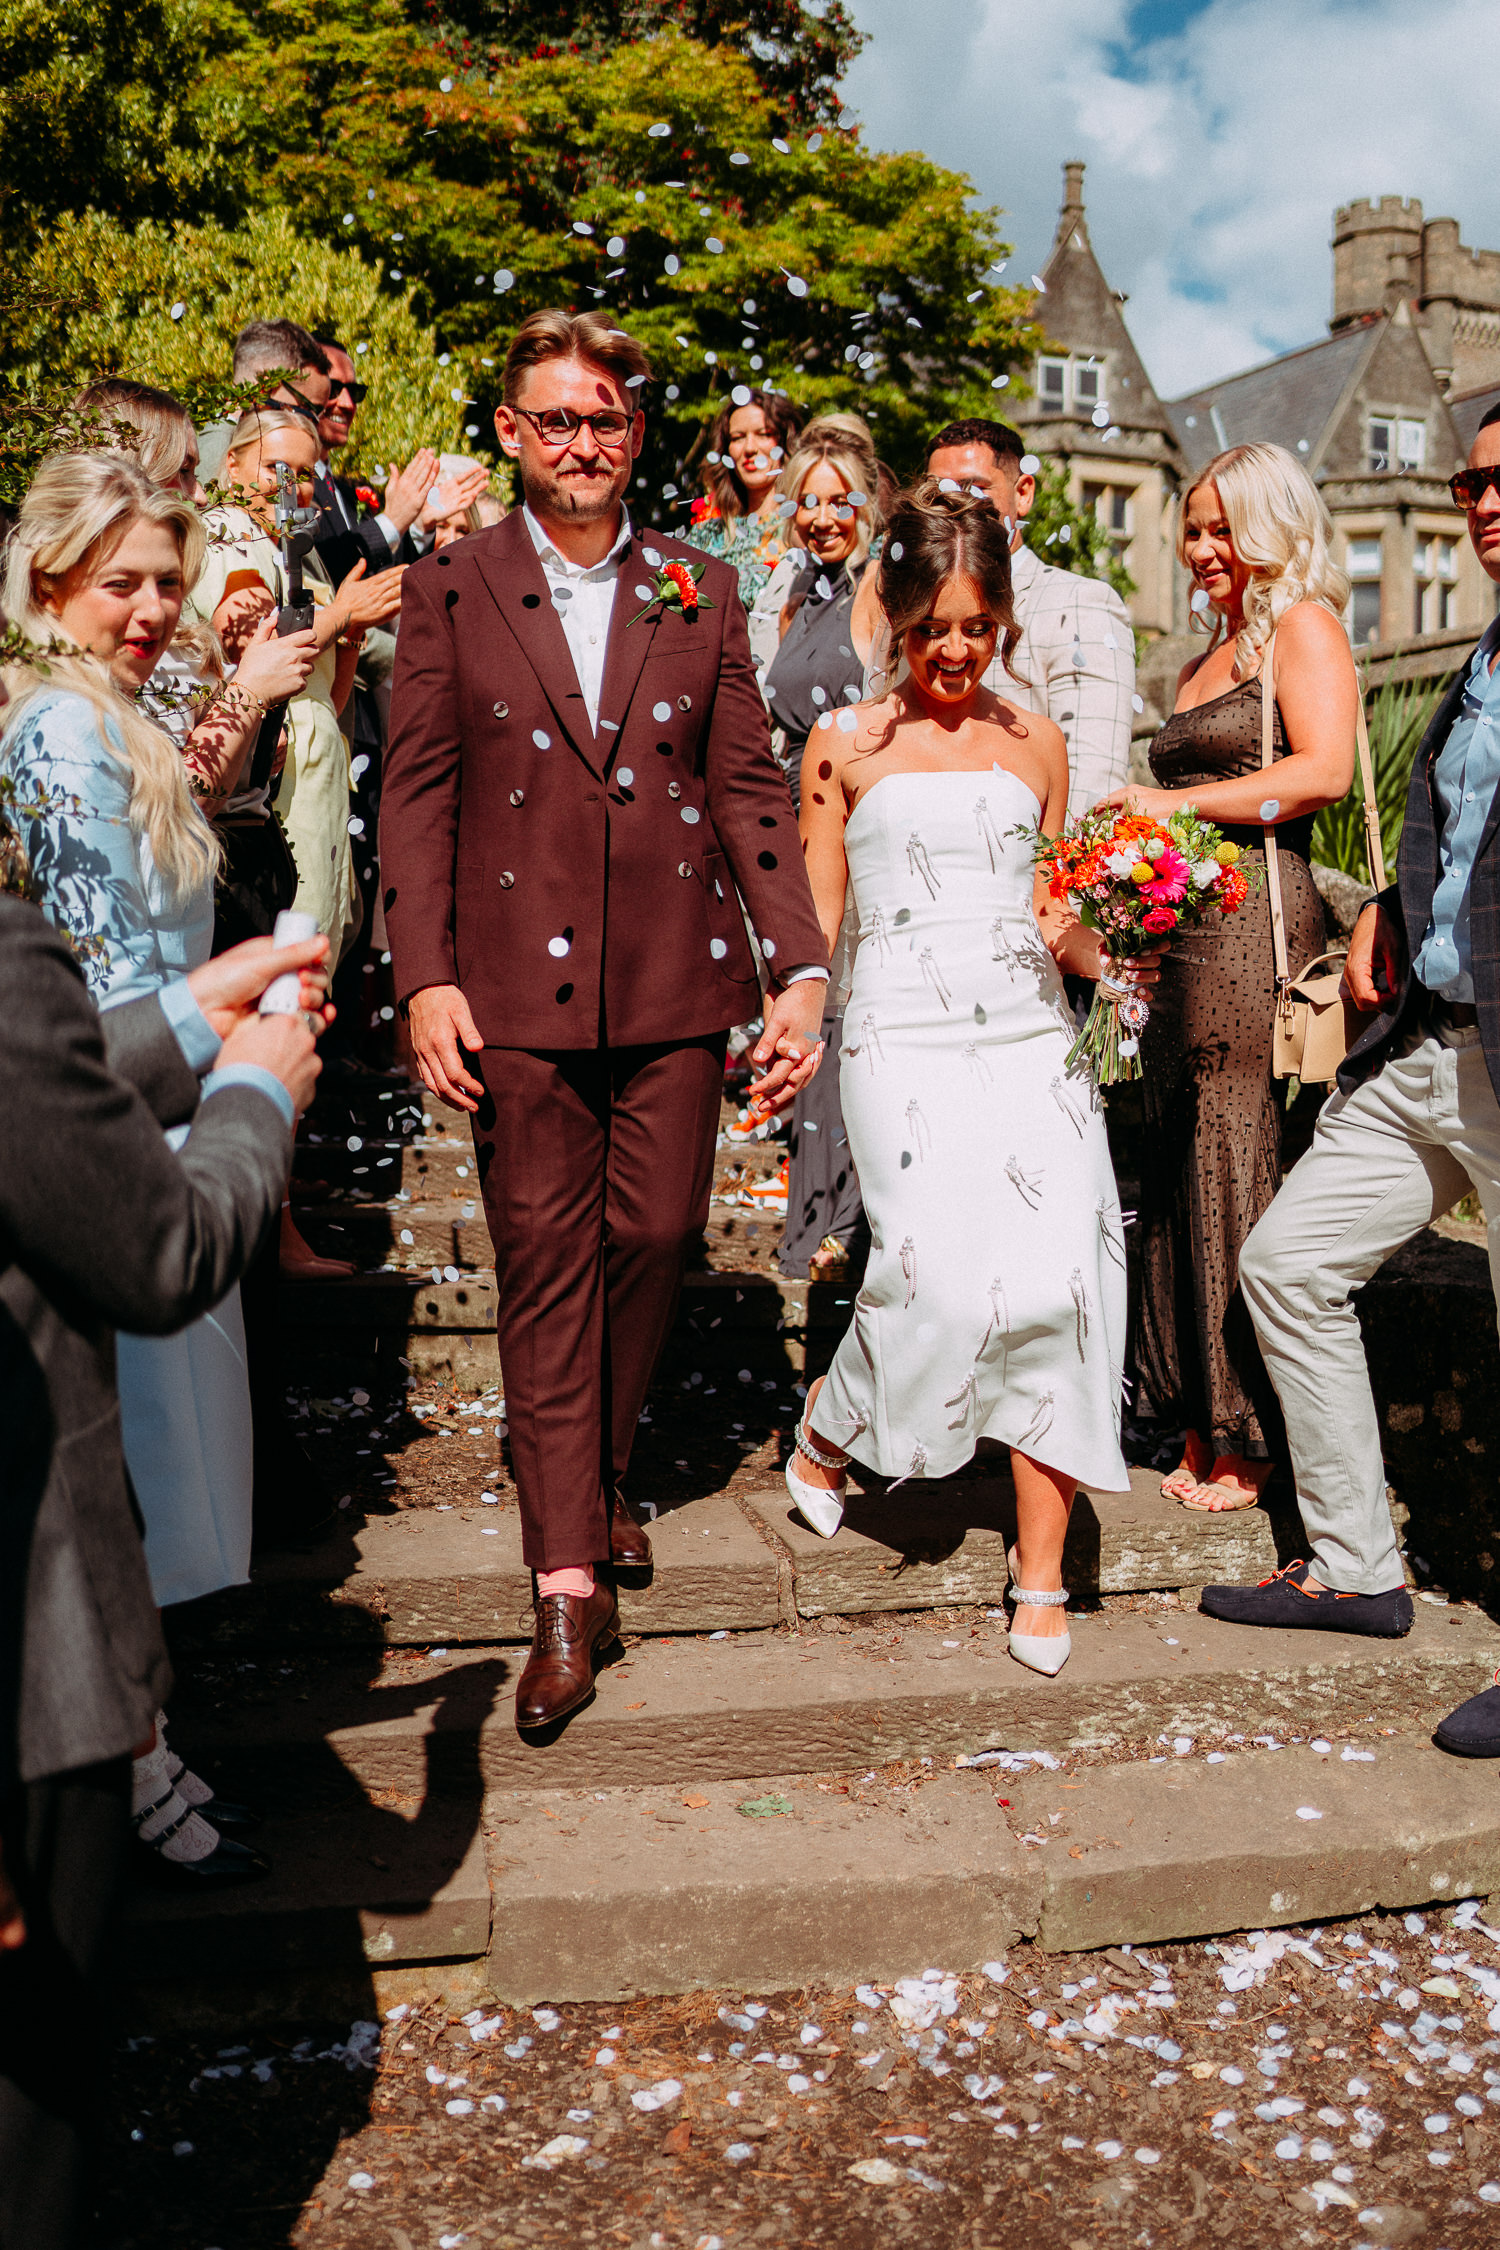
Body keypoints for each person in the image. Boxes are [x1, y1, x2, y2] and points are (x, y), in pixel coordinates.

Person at [381, 308, 829, 1732]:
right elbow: (419, 789)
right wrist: (422, 973)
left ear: (637, 435)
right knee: (539, 1258)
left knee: (653, 1236)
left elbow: (753, 787)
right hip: (508, 982)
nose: (584, 443)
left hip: (673, 982)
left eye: (607, 420)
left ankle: (599, 1463)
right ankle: (565, 1577)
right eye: (556, 420)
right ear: (510, 433)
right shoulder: (450, 585)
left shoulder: (700, 584)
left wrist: (800, 965)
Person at [0, 450, 331, 1879]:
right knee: (123, 1471)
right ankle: (131, 1763)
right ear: (50, 577)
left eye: (164, 582)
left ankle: (141, 1745)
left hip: (181, 1071)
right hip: (137, 1101)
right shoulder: (61, 733)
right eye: (119, 580)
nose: (148, 606)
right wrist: (219, 1069)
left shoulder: (111, 713)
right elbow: (91, 963)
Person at [0, 835, 321, 2249]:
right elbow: (161, 1255)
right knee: (28, 2120)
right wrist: (257, 1095)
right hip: (29, 1661)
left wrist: (192, 1014)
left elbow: (26, 1104)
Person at [790, 483, 1150, 1675]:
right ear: (893, 615)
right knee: (929, 1276)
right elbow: (817, 921)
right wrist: (793, 1026)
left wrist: (1127, 957)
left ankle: (1039, 1567)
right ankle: (835, 1423)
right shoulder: (841, 744)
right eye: (931, 625)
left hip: (1029, 1039)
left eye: (976, 626)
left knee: (1066, 1284)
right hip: (897, 1035)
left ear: (1003, 619)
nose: (954, 650)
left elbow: (1055, 915)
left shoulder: (1037, 742)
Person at [1201, 408, 1500, 1762]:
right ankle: (1356, 1563)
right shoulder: (1485, 657)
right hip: (1432, 1036)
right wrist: (1384, 897)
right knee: (1288, 1261)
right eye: (1468, 480)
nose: (1480, 500)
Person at [1104, 445, 1355, 1511]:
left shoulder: (1303, 625)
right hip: (1182, 940)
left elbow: (1324, 772)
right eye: (1192, 531)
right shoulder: (1206, 653)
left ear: (1268, 529)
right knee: (1173, 1160)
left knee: (1237, 1159)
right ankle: (1198, 1416)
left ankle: (1251, 1434)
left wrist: (1165, 809)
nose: (1201, 550)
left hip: (1256, 934)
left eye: (1221, 531)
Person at [196, 405, 405, 968]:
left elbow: (323, 697)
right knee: (282, 967)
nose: (293, 487)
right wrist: (345, 612)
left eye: (306, 473)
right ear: (233, 463)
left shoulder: (302, 549)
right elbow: (249, 639)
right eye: (276, 469)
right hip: (271, 784)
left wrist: (353, 635)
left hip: (321, 779)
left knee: (317, 963)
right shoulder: (226, 532)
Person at [854, 417, 1136, 818]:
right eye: (939, 490)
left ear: (1023, 494)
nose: (956, 503)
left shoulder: (1078, 604)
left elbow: (1091, 786)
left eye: (975, 488)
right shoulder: (905, 606)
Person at [761, 425, 881, 1281]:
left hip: (852, 817)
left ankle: (844, 1227)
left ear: (870, 508)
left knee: (843, 1013)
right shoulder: (797, 592)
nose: (825, 515)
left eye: (842, 500)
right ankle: (815, 1223)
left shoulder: (878, 588)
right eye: (810, 499)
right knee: (809, 1003)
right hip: (785, 818)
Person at [683, 391, 804, 601]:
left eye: (764, 434)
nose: (749, 448)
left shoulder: (804, 529)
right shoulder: (706, 536)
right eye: (737, 438)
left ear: (786, 442)